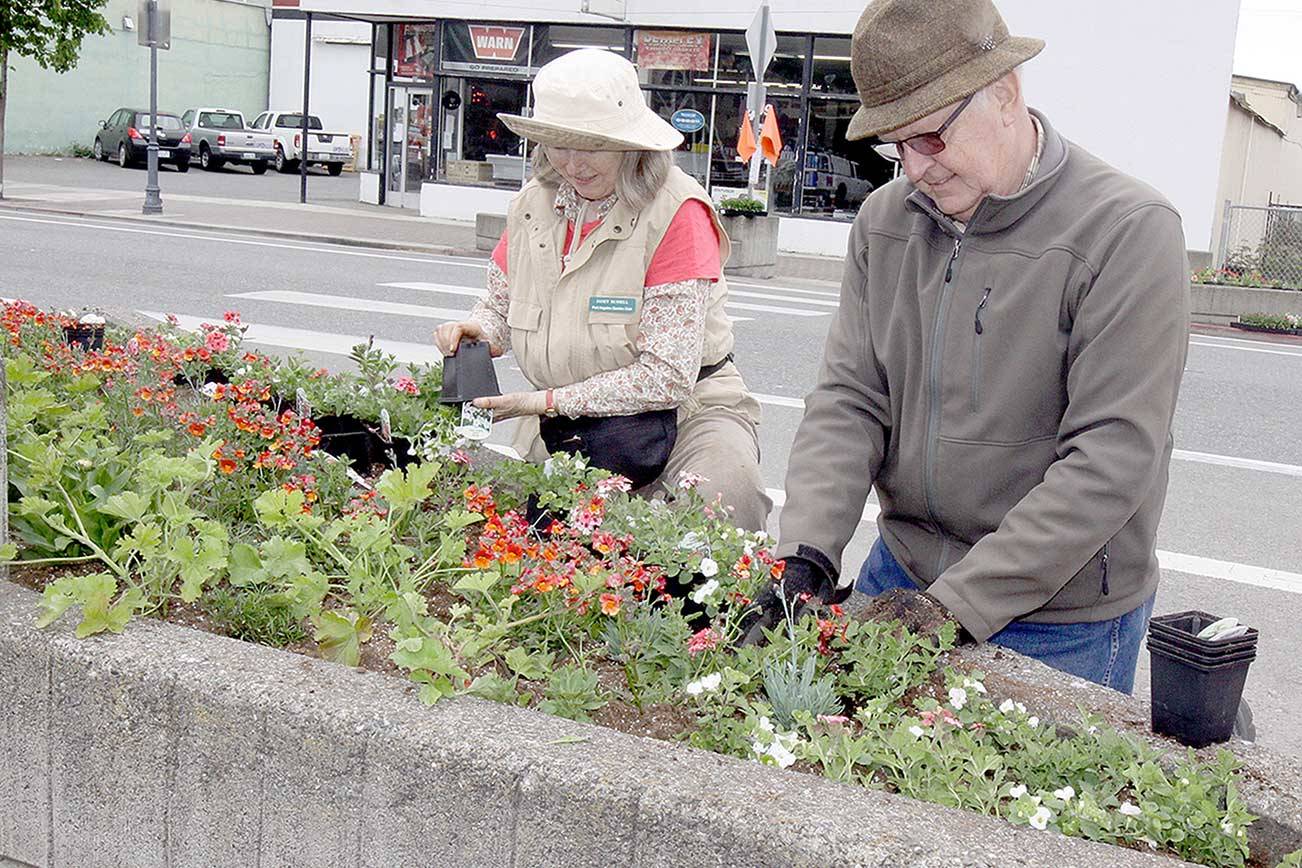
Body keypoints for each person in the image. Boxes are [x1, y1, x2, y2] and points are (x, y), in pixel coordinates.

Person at [745, 0, 1189, 694]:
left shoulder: (1128, 231)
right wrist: (806, 555)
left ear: (1005, 95)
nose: (913, 168)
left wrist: (953, 608)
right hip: (907, 575)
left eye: (929, 138)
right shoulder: (885, 223)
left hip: (1061, 615)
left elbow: (1112, 456)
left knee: (1005, 804)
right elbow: (850, 399)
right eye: (895, 146)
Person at [433, 48, 771, 533]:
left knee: (726, 501)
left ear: (630, 142)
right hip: (570, 418)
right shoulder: (532, 206)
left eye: (591, 145)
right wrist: (480, 328)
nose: (572, 164)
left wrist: (543, 403)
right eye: (558, 144)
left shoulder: (677, 212)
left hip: (685, 412)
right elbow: (501, 304)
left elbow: (667, 376)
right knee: (531, 540)